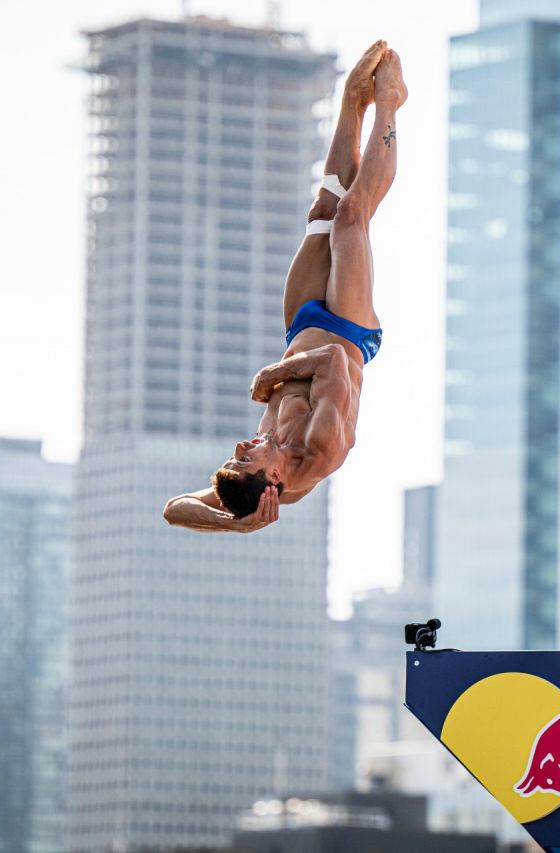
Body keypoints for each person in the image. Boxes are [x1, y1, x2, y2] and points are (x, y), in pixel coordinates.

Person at [163, 40, 407, 533]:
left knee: (322, 213)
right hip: (348, 332)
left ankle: (351, 104)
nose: (240, 447)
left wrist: (236, 524)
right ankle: (389, 104)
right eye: (245, 460)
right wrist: (273, 374)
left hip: (301, 326)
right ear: (274, 480)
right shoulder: (320, 449)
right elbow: (334, 363)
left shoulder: (252, 478)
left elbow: (173, 508)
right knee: (350, 220)